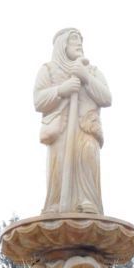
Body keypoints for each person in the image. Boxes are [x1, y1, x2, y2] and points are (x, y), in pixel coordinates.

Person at [34, 28, 112, 214]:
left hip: (87, 128)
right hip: (60, 129)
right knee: (59, 162)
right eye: (74, 39)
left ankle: (88, 201)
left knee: (87, 154)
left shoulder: (92, 71)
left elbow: (106, 98)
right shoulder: (48, 70)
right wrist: (61, 90)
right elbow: (38, 101)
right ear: (62, 44)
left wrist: (86, 78)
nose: (79, 44)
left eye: (81, 40)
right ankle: (56, 204)